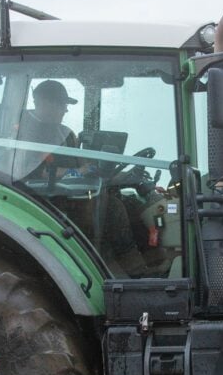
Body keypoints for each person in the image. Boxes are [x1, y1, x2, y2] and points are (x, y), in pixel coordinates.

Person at [17, 80, 146, 278]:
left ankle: (131, 268)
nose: (65, 109)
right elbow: (37, 172)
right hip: (44, 199)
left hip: (71, 192)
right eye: (61, 103)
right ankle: (126, 271)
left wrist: (116, 173)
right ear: (42, 101)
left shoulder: (64, 132)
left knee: (131, 203)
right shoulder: (24, 129)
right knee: (113, 207)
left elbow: (83, 164)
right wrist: (79, 173)